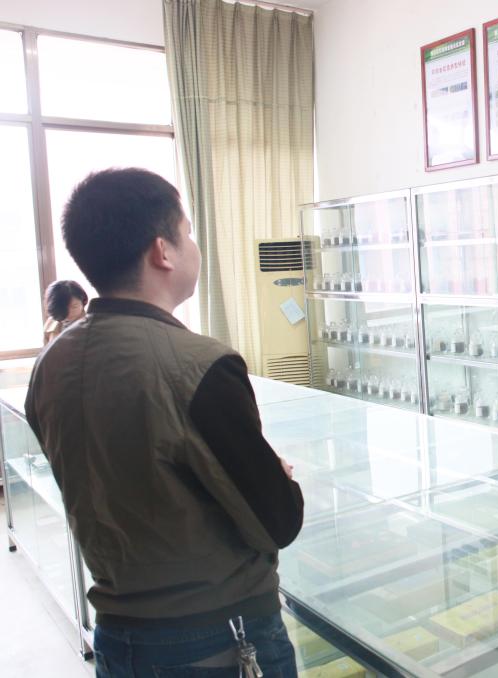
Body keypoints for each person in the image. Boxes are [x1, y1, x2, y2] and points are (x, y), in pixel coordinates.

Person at [25, 168, 304, 677]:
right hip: (218, 638)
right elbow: (277, 522)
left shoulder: (50, 363)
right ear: (163, 251)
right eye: (187, 232)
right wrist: (278, 477)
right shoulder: (200, 364)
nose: (193, 245)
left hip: (117, 636)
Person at [42, 279, 88, 344]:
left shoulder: (91, 324)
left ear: (83, 301)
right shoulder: (51, 323)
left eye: (74, 306)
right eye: (62, 308)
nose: (69, 312)